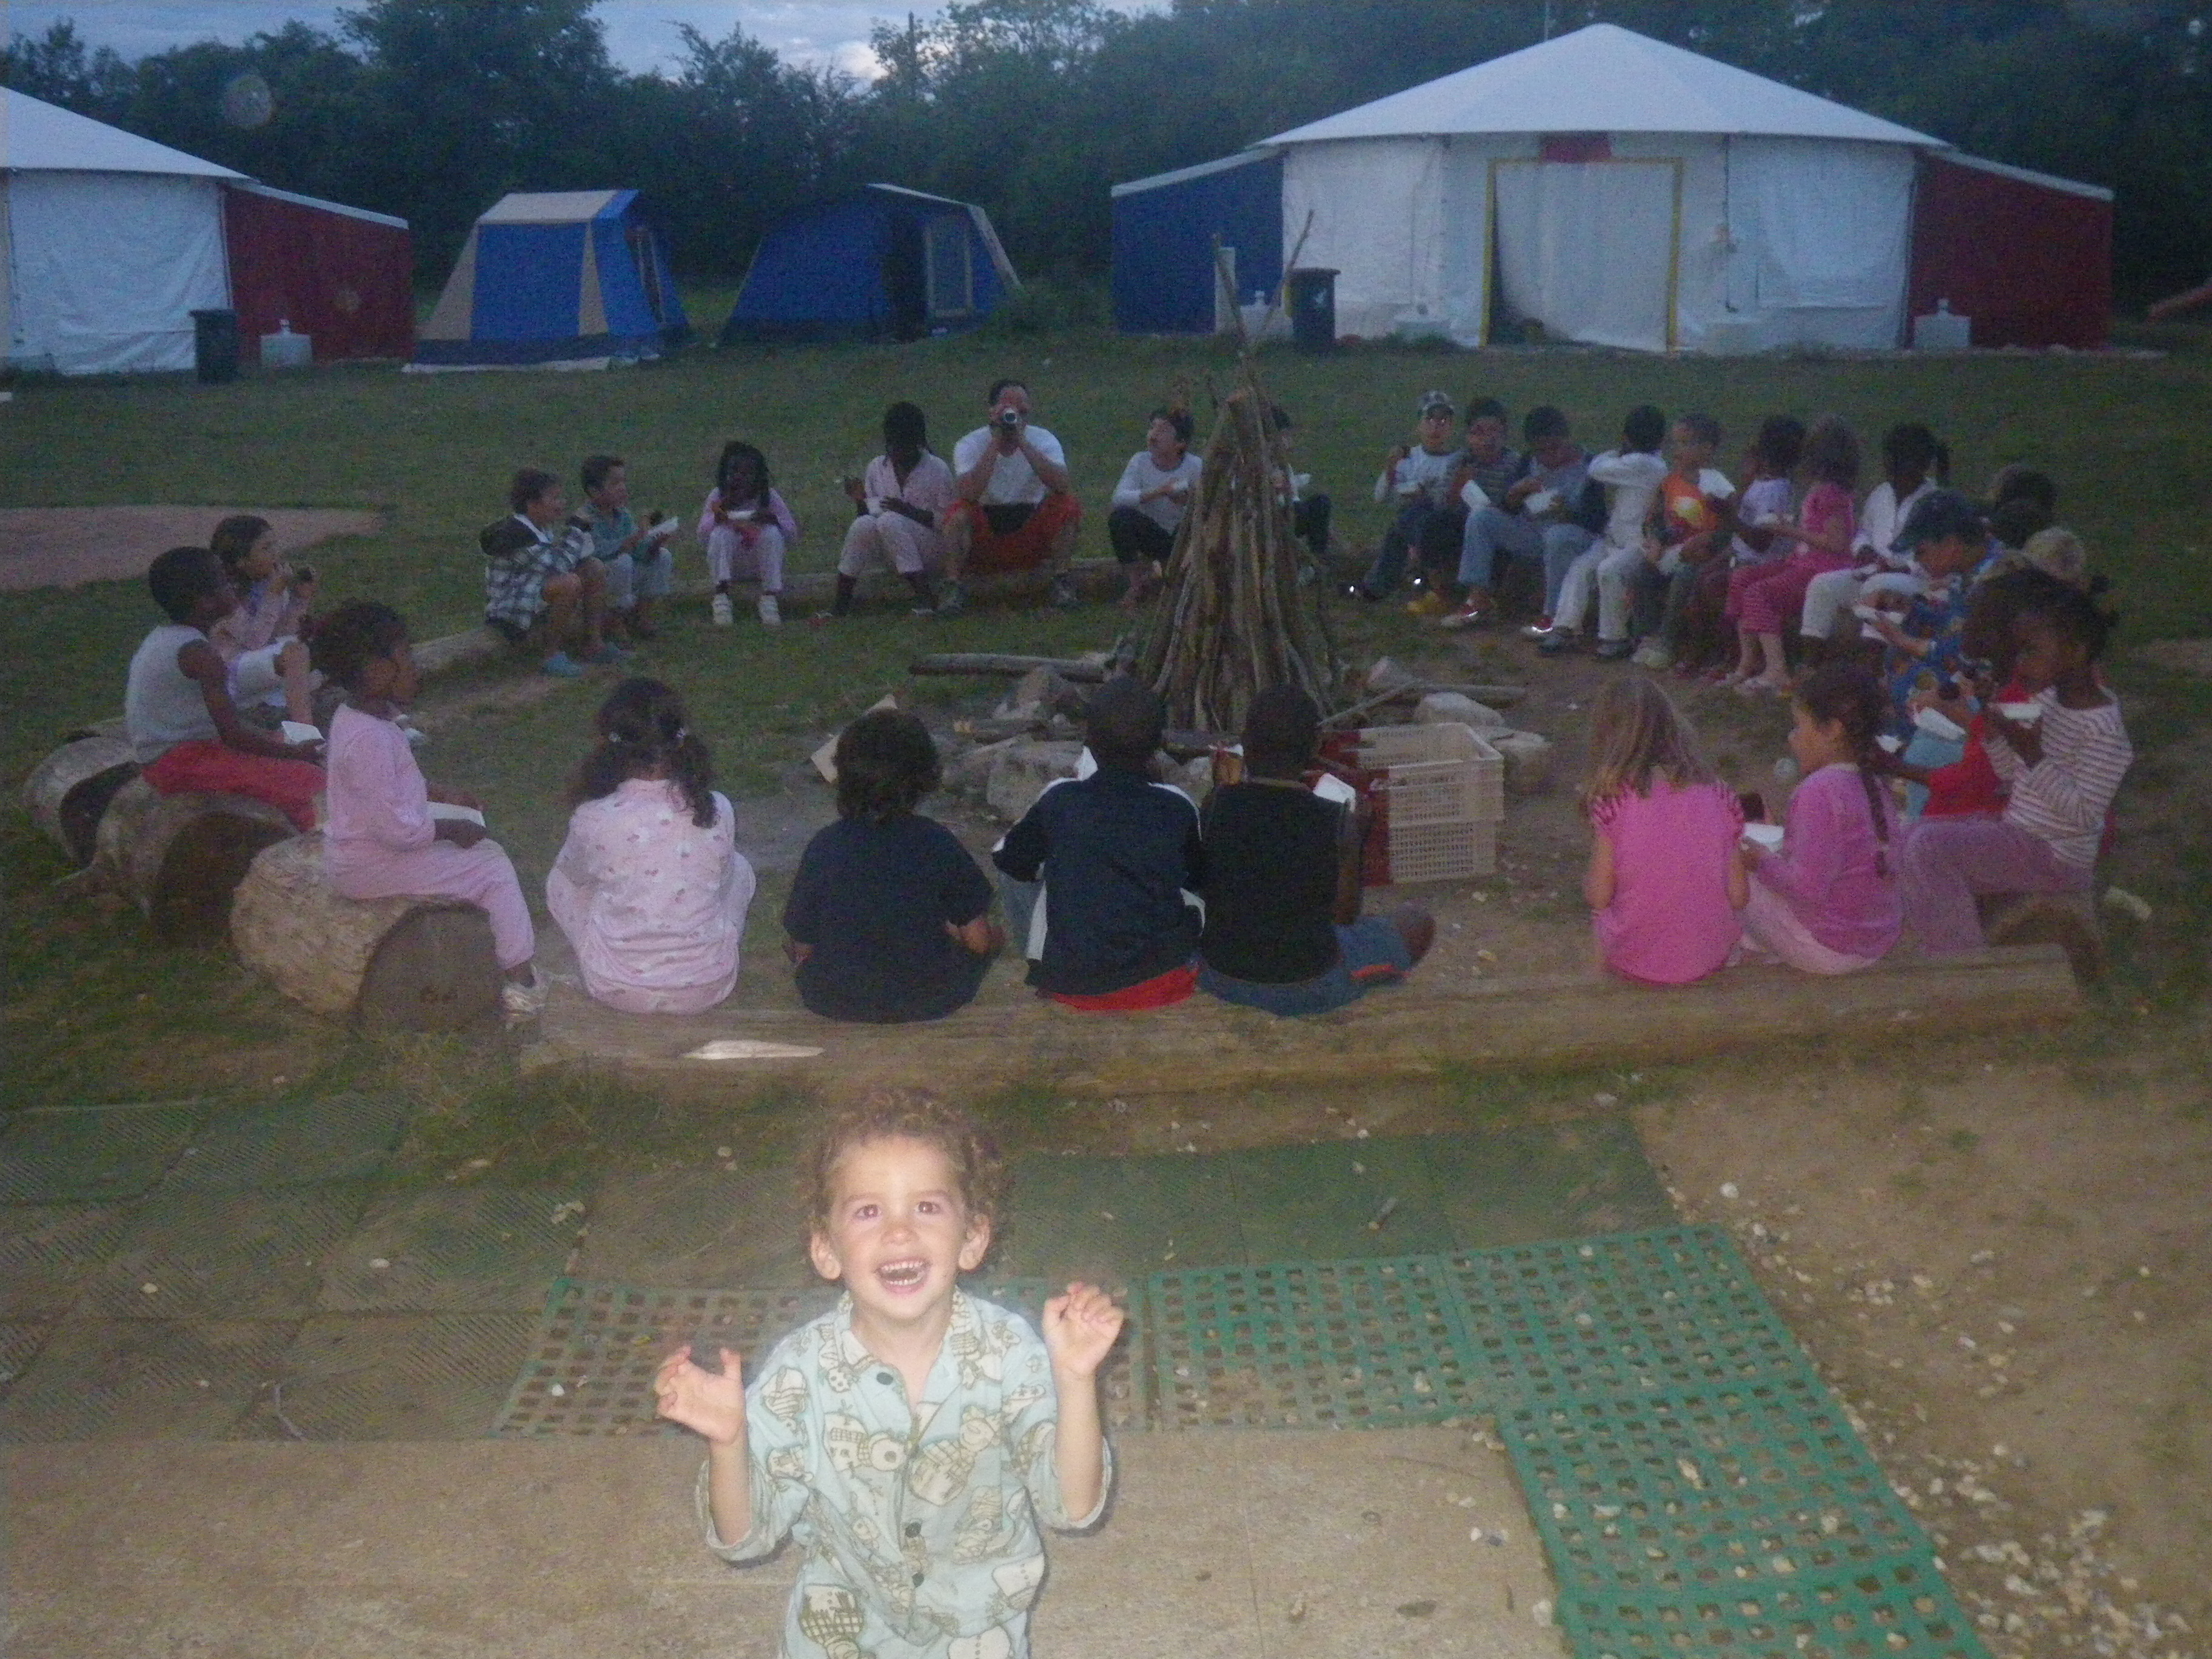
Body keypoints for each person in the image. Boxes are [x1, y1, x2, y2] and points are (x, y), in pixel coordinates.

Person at [655, 1091, 1119, 1659]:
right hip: (840, 1628)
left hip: (978, 1628)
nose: (899, 1232)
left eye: (926, 1207)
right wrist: (728, 1442)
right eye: (868, 1211)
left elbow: (1073, 1506)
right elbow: (742, 1539)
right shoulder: (799, 1372)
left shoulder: (1013, 1355)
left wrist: (1075, 1380)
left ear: (973, 1238)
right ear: (826, 1251)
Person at [312, 600, 544, 1021]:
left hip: (364, 852)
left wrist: (442, 795)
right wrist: (452, 828)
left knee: (479, 856)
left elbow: (387, 790)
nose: (415, 668)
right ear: (376, 670)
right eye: (406, 656)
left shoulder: (359, 718)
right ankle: (521, 983)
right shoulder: (370, 738)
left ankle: (494, 956)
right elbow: (397, 831)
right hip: (371, 863)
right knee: (491, 866)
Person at [1897, 581, 2131, 955]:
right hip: (2020, 830)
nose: (2021, 663)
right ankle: (1931, 937)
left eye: (2032, 651)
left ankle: (1963, 963)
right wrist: (1995, 730)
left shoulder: (2104, 730)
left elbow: (2085, 816)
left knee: (1929, 849)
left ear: (2076, 652)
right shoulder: (2047, 700)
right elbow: (2008, 774)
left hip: (2057, 856)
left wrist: (2033, 754)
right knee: (1910, 834)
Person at [1198, 686, 1435, 1015]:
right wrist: (1357, 839)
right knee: (1417, 921)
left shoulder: (1216, 804)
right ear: (1315, 746)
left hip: (1220, 977)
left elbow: (1207, 887)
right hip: (1310, 984)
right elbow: (1345, 915)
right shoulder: (1335, 819)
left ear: (1245, 743)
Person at [992, 677, 1207, 1011]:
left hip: (1071, 985)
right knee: (1194, 888)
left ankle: (1042, 962)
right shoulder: (1177, 804)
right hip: (1162, 983)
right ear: (1159, 744)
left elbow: (1009, 861)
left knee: (1015, 871)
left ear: (1088, 742)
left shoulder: (1060, 797)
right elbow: (1195, 878)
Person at [548, 678, 756, 1016]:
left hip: (617, 988)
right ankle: (699, 949)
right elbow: (725, 881)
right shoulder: (718, 806)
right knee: (740, 867)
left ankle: (612, 952)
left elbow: (574, 877)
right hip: (708, 985)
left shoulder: (592, 816)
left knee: (563, 878)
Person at [784, 709, 1002, 1023]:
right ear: (924, 778)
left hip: (834, 998)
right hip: (932, 997)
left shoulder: (825, 844)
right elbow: (978, 941)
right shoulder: (937, 841)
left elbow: (802, 943)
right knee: (986, 936)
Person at [125, 546, 327, 831]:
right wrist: (295, 755)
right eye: (225, 582)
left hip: (180, 754)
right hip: (182, 763)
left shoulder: (165, 638)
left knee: (287, 741)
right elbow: (233, 734)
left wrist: (283, 744)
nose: (233, 586)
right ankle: (314, 845)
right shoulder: (200, 655)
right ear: (206, 602)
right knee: (312, 784)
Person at [1581, 676, 1747, 985]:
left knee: (1600, 915)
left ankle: (1599, 984)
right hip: (1710, 955)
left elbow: (1599, 896)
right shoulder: (1721, 794)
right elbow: (1739, 896)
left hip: (1635, 960)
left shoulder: (1612, 801)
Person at [1738, 663, 1902, 974]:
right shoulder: (1874, 784)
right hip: (1874, 940)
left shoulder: (1820, 791)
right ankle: (1760, 947)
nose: (1793, 738)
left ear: (1833, 730)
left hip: (1829, 948)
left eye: (1799, 727)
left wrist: (1759, 860)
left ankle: (1735, 952)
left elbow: (1806, 890)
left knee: (1729, 869)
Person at [1721, 415, 1862, 694]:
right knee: (1742, 579)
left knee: (1760, 593)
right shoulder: (1819, 490)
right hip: (1802, 561)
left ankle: (1777, 670)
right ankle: (1747, 662)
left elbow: (1837, 544)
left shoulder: (1831, 494)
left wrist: (1788, 530)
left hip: (1821, 568)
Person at [1673, 415, 1803, 678]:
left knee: (1715, 588)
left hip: (1761, 562)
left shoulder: (1777, 489)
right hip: (1739, 553)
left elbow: (1761, 542)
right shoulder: (1761, 481)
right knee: (1700, 580)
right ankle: (1704, 652)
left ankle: (1733, 658)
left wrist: (1728, 516)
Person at [938, 380, 1082, 616]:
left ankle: (1061, 581)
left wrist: (1021, 441)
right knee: (958, 513)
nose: (1014, 417)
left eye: (1021, 411)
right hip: (986, 531)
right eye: (1008, 411)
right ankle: (953, 587)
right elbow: (969, 493)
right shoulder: (970, 444)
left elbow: (1061, 484)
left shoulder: (1043, 440)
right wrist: (996, 440)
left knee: (1067, 505)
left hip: (1030, 527)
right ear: (992, 411)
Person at [1442, 404, 1592, 631]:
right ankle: (1477, 600)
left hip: (1571, 537)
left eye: (1554, 449)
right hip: (1534, 532)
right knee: (1481, 517)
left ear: (1567, 440)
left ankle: (1552, 615)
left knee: (1557, 536)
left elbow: (1597, 520)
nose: (1548, 457)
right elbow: (1510, 508)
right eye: (1541, 452)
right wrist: (1515, 494)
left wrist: (1569, 513)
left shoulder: (1590, 466)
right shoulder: (1529, 462)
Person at [1540, 404, 1670, 659]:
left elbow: (1596, 468)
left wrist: (1616, 451)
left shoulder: (1643, 463)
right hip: (1614, 539)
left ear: (1627, 437)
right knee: (1581, 569)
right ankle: (1564, 626)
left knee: (1609, 572)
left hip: (1639, 545)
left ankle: (1615, 637)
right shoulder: (1652, 463)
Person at [1798, 423, 1945, 649]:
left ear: (1921, 465)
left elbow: (1940, 555)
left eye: (1902, 464)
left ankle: (1872, 661)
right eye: (1891, 462)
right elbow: (1862, 533)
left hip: (1916, 581)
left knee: (1879, 586)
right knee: (1822, 585)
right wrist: (1864, 550)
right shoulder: (1881, 494)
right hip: (1871, 572)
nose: (1893, 470)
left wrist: (1903, 567)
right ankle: (1810, 661)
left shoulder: (1936, 501)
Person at [481, 468, 618, 677]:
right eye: (554, 498)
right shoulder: (518, 535)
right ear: (532, 504)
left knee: (594, 568)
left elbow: (559, 562)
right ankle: (551, 655)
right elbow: (558, 566)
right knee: (569, 583)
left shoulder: (540, 527)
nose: (561, 504)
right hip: (511, 609)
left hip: (534, 593)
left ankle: (594, 644)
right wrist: (576, 529)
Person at [1627, 413, 1737, 671]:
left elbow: (1730, 526)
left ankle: (1669, 641)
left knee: (1685, 577)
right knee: (1642, 573)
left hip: (1704, 556)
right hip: (1674, 551)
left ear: (1707, 449)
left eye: (1685, 443)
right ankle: (1648, 636)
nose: (1677, 449)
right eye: (1675, 442)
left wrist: (1709, 541)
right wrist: (1655, 540)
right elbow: (1655, 520)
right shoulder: (1670, 483)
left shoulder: (1717, 485)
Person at [836, 402, 957, 618]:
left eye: (903, 447)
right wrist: (860, 501)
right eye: (892, 446)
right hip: (894, 552)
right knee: (864, 524)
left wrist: (907, 511)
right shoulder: (876, 468)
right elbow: (868, 522)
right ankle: (840, 603)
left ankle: (927, 598)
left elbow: (949, 524)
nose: (896, 453)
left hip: (932, 550)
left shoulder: (938, 469)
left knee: (890, 520)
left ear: (918, 443)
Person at [207, 514, 317, 724]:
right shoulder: (227, 596)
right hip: (231, 671)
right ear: (241, 561)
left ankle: (283, 706)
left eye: (275, 545)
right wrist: (273, 595)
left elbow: (283, 633)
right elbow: (255, 641)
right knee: (296, 654)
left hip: (262, 665)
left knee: (304, 648)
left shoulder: (270, 584)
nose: (276, 554)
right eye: (266, 548)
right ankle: (304, 726)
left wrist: (300, 599)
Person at [1358, 391, 1466, 602]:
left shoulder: (1458, 459)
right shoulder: (1409, 458)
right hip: (1413, 523)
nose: (1436, 427)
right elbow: (1381, 496)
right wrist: (1391, 467)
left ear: (1451, 427)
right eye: (1430, 420)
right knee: (1408, 520)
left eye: (1443, 421)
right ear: (1419, 425)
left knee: (1408, 522)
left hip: (1444, 523)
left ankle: (1380, 586)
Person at [1107, 407, 1202, 608]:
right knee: (1121, 518)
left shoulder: (1195, 466)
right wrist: (1159, 492)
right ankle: (1136, 584)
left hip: (1183, 534)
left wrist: (1188, 500)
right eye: (1153, 428)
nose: (1154, 435)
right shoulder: (1140, 461)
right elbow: (1119, 498)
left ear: (1180, 443)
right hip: (1154, 532)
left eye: (1163, 431)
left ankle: (1177, 578)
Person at [700, 441, 798, 628]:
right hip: (730, 567)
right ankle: (722, 597)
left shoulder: (768, 497)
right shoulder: (717, 496)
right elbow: (702, 536)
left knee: (771, 533)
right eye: (734, 472)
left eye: (747, 474)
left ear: (758, 477)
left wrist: (774, 520)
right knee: (721, 533)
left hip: (760, 566)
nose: (739, 478)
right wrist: (718, 517)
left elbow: (792, 534)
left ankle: (769, 597)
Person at [579, 454, 675, 642]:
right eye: (615, 483)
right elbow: (598, 552)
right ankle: (615, 621)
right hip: (600, 581)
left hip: (626, 575)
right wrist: (633, 540)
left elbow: (639, 551)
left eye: (623, 481)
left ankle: (642, 615)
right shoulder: (585, 519)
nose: (622, 487)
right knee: (622, 562)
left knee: (663, 556)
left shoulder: (623, 515)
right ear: (594, 491)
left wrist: (654, 544)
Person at [1270, 405, 1333, 571]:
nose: (1288, 441)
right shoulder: (1254, 464)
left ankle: (1315, 559)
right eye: (1284, 436)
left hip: (1292, 512)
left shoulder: (1284, 466)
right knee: (1301, 511)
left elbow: (1293, 496)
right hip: (1273, 517)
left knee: (1321, 503)